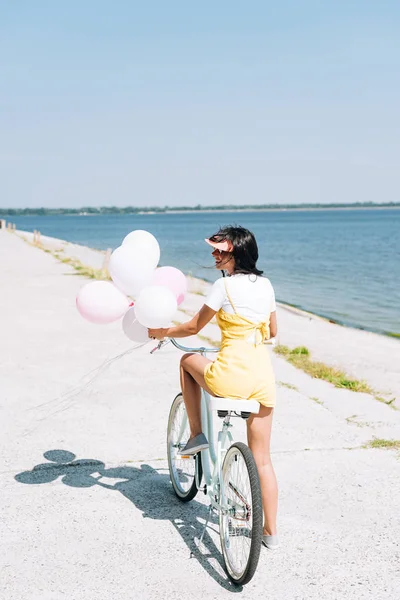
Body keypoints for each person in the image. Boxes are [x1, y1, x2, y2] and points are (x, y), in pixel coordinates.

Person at [148, 226, 279, 550]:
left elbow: (194, 326)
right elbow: (273, 331)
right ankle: (270, 534)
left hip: (230, 375)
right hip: (262, 377)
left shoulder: (223, 286)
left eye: (220, 250)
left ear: (236, 253)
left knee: (187, 361)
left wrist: (162, 331)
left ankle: (196, 434)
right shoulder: (266, 285)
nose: (214, 255)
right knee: (262, 459)